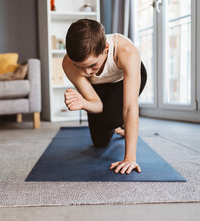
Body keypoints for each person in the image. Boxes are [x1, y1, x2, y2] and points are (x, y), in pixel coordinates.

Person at [62, 19, 147, 175]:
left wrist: (129, 158)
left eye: (93, 65)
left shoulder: (127, 52)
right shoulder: (68, 63)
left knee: (112, 118)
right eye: (80, 66)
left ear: (106, 49)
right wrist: (84, 103)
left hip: (123, 80)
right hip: (99, 85)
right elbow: (97, 105)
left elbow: (129, 108)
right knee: (99, 143)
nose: (87, 72)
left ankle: (119, 124)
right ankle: (117, 127)